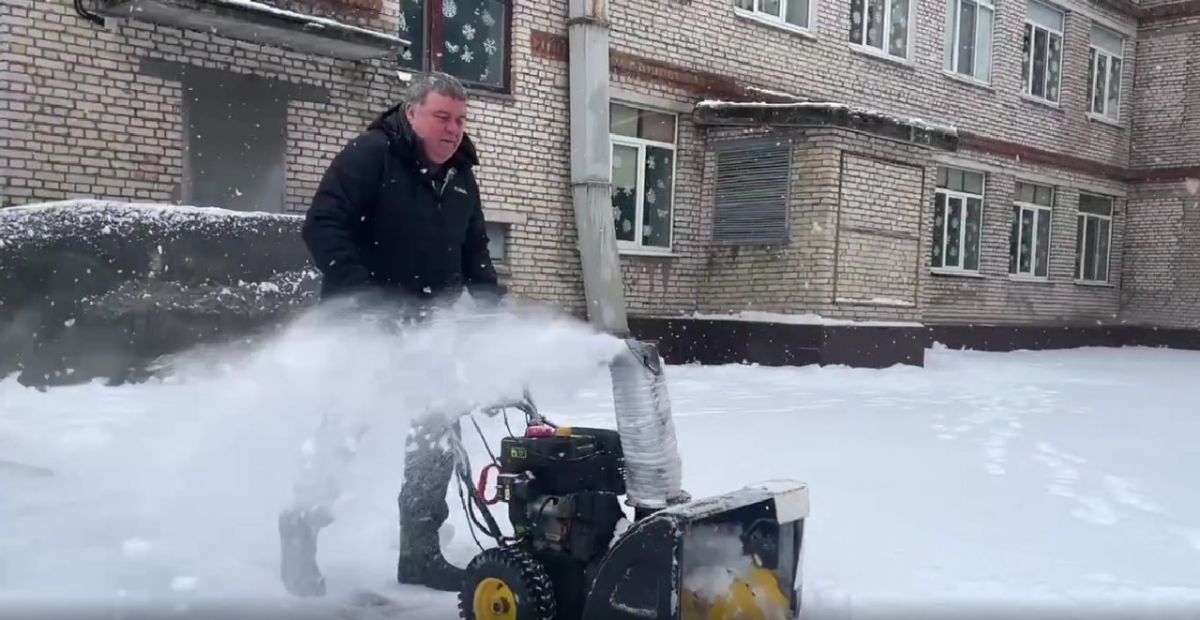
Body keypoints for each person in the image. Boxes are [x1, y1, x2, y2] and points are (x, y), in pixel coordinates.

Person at [278, 71, 506, 598]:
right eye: (442, 116)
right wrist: (368, 297)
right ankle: (299, 535)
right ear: (412, 113)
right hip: (365, 327)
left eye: (460, 119)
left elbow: (474, 250)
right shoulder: (371, 156)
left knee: (435, 437)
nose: (453, 129)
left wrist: (491, 309)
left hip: (432, 330)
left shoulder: (461, 174)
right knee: (343, 431)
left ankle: (420, 552)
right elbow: (323, 227)